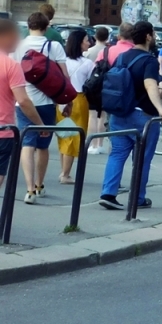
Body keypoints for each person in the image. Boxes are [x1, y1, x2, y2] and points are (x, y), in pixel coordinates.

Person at [99, 21, 162, 210]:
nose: (154, 37)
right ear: (147, 36)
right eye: (153, 34)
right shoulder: (149, 60)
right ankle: (137, 198)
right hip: (143, 117)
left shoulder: (122, 57)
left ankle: (108, 193)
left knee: (117, 154)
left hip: (120, 114)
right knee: (142, 159)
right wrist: (161, 109)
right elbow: (149, 85)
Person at [13, 11, 68, 204]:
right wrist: (66, 102)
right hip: (47, 102)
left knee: (27, 143)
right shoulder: (54, 46)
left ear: (28, 26)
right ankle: (39, 184)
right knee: (43, 146)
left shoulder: (18, 46)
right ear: (46, 27)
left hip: (23, 101)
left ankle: (29, 190)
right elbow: (65, 77)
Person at [0, 19, 43, 195]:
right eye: (15, 36)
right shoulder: (11, 65)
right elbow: (23, 101)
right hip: (3, 131)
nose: (18, 40)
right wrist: (40, 125)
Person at [56, 29, 94, 184]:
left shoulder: (62, 60)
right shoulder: (88, 63)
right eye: (86, 40)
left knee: (64, 134)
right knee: (74, 137)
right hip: (78, 99)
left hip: (60, 99)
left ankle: (63, 171)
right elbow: (92, 83)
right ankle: (65, 174)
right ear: (79, 42)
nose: (88, 42)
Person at [85, 27, 111, 152]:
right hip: (105, 85)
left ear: (95, 37)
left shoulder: (89, 52)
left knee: (92, 116)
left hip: (92, 85)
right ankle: (100, 144)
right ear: (107, 38)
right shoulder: (109, 51)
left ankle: (92, 144)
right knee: (103, 116)